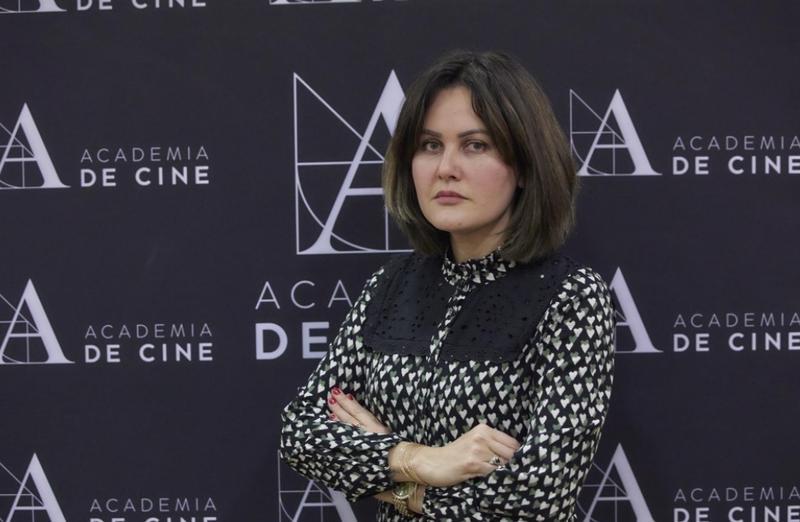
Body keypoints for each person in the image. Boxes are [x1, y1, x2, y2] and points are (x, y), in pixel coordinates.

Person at [280, 50, 616, 521]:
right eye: (430, 145)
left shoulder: (571, 297)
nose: (446, 168)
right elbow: (301, 433)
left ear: (524, 164)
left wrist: (398, 482)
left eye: (475, 145)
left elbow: (537, 499)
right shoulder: (390, 286)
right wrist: (417, 459)